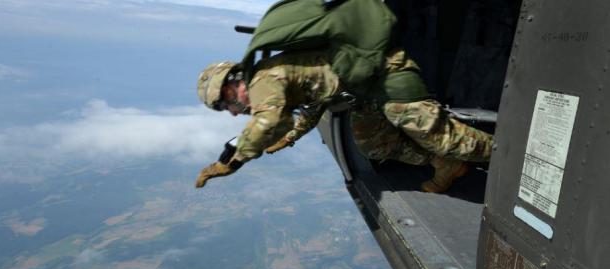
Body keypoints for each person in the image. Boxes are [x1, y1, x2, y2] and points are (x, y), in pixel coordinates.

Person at [195, 45, 493, 194]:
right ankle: (447, 164)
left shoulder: (263, 80)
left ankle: (505, 156)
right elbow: (311, 107)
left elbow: (266, 122)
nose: (233, 111)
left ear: (235, 82)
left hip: (387, 72)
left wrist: (231, 161)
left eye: (226, 104)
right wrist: (291, 137)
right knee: (372, 145)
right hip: (364, 92)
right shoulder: (272, 80)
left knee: (438, 134)